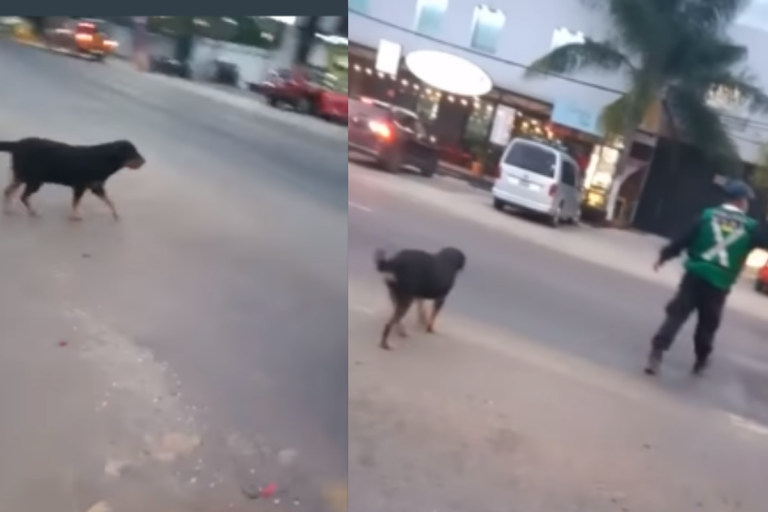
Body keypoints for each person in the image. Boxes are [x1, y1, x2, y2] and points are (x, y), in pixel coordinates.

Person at [645, 180, 768, 376]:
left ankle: (656, 353)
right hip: (719, 282)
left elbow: (684, 239)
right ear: (740, 201)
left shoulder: (707, 215)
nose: (747, 204)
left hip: (694, 275)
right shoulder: (751, 227)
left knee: (676, 315)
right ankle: (701, 359)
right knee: (707, 323)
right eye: (746, 200)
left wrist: (665, 256)